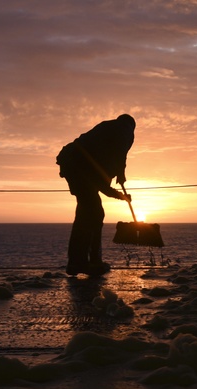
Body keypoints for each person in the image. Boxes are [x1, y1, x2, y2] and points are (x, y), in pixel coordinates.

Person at [56, 114, 135, 276]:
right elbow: (103, 180)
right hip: (78, 165)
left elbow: (103, 181)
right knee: (93, 213)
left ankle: (82, 262)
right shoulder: (124, 130)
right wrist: (121, 185)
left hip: (70, 161)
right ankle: (85, 263)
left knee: (88, 213)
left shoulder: (106, 136)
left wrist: (120, 181)